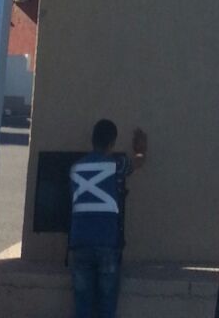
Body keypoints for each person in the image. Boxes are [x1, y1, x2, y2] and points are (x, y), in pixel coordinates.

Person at [68, 117, 147, 318]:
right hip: (107, 242)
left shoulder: (75, 169)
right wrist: (140, 149)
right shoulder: (116, 165)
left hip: (80, 242)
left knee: (82, 306)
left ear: (92, 140)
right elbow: (138, 162)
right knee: (107, 306)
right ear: (112, 143)